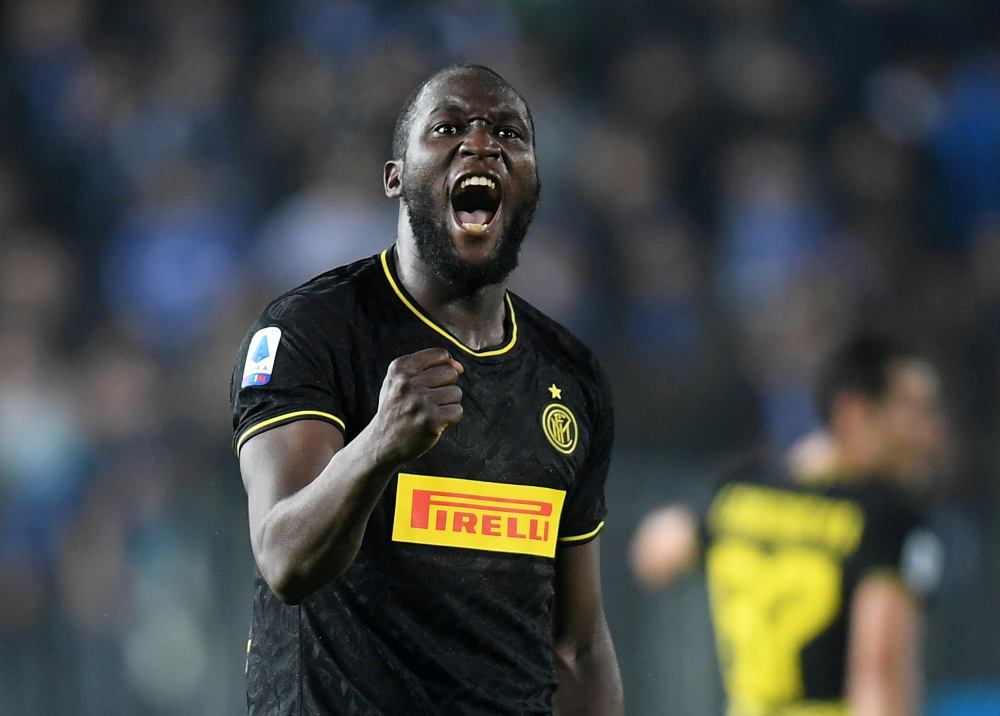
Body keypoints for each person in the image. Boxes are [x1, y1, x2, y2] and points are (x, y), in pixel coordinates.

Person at [230, 64, 623, 716]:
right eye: (448, 128)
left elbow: (578, 646)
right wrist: (379, 443)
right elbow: (285, 560)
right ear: (395, 178)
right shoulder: (312, 331)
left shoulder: (570, 377)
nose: (481, 144)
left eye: (507, 132)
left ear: (530, 185)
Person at [630, 334, 946, 716]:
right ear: (854, 412)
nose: (931, 433)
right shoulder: (888, 518)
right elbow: (878, 669)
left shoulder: (742, 490)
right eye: (913, 412)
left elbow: (654, 554)